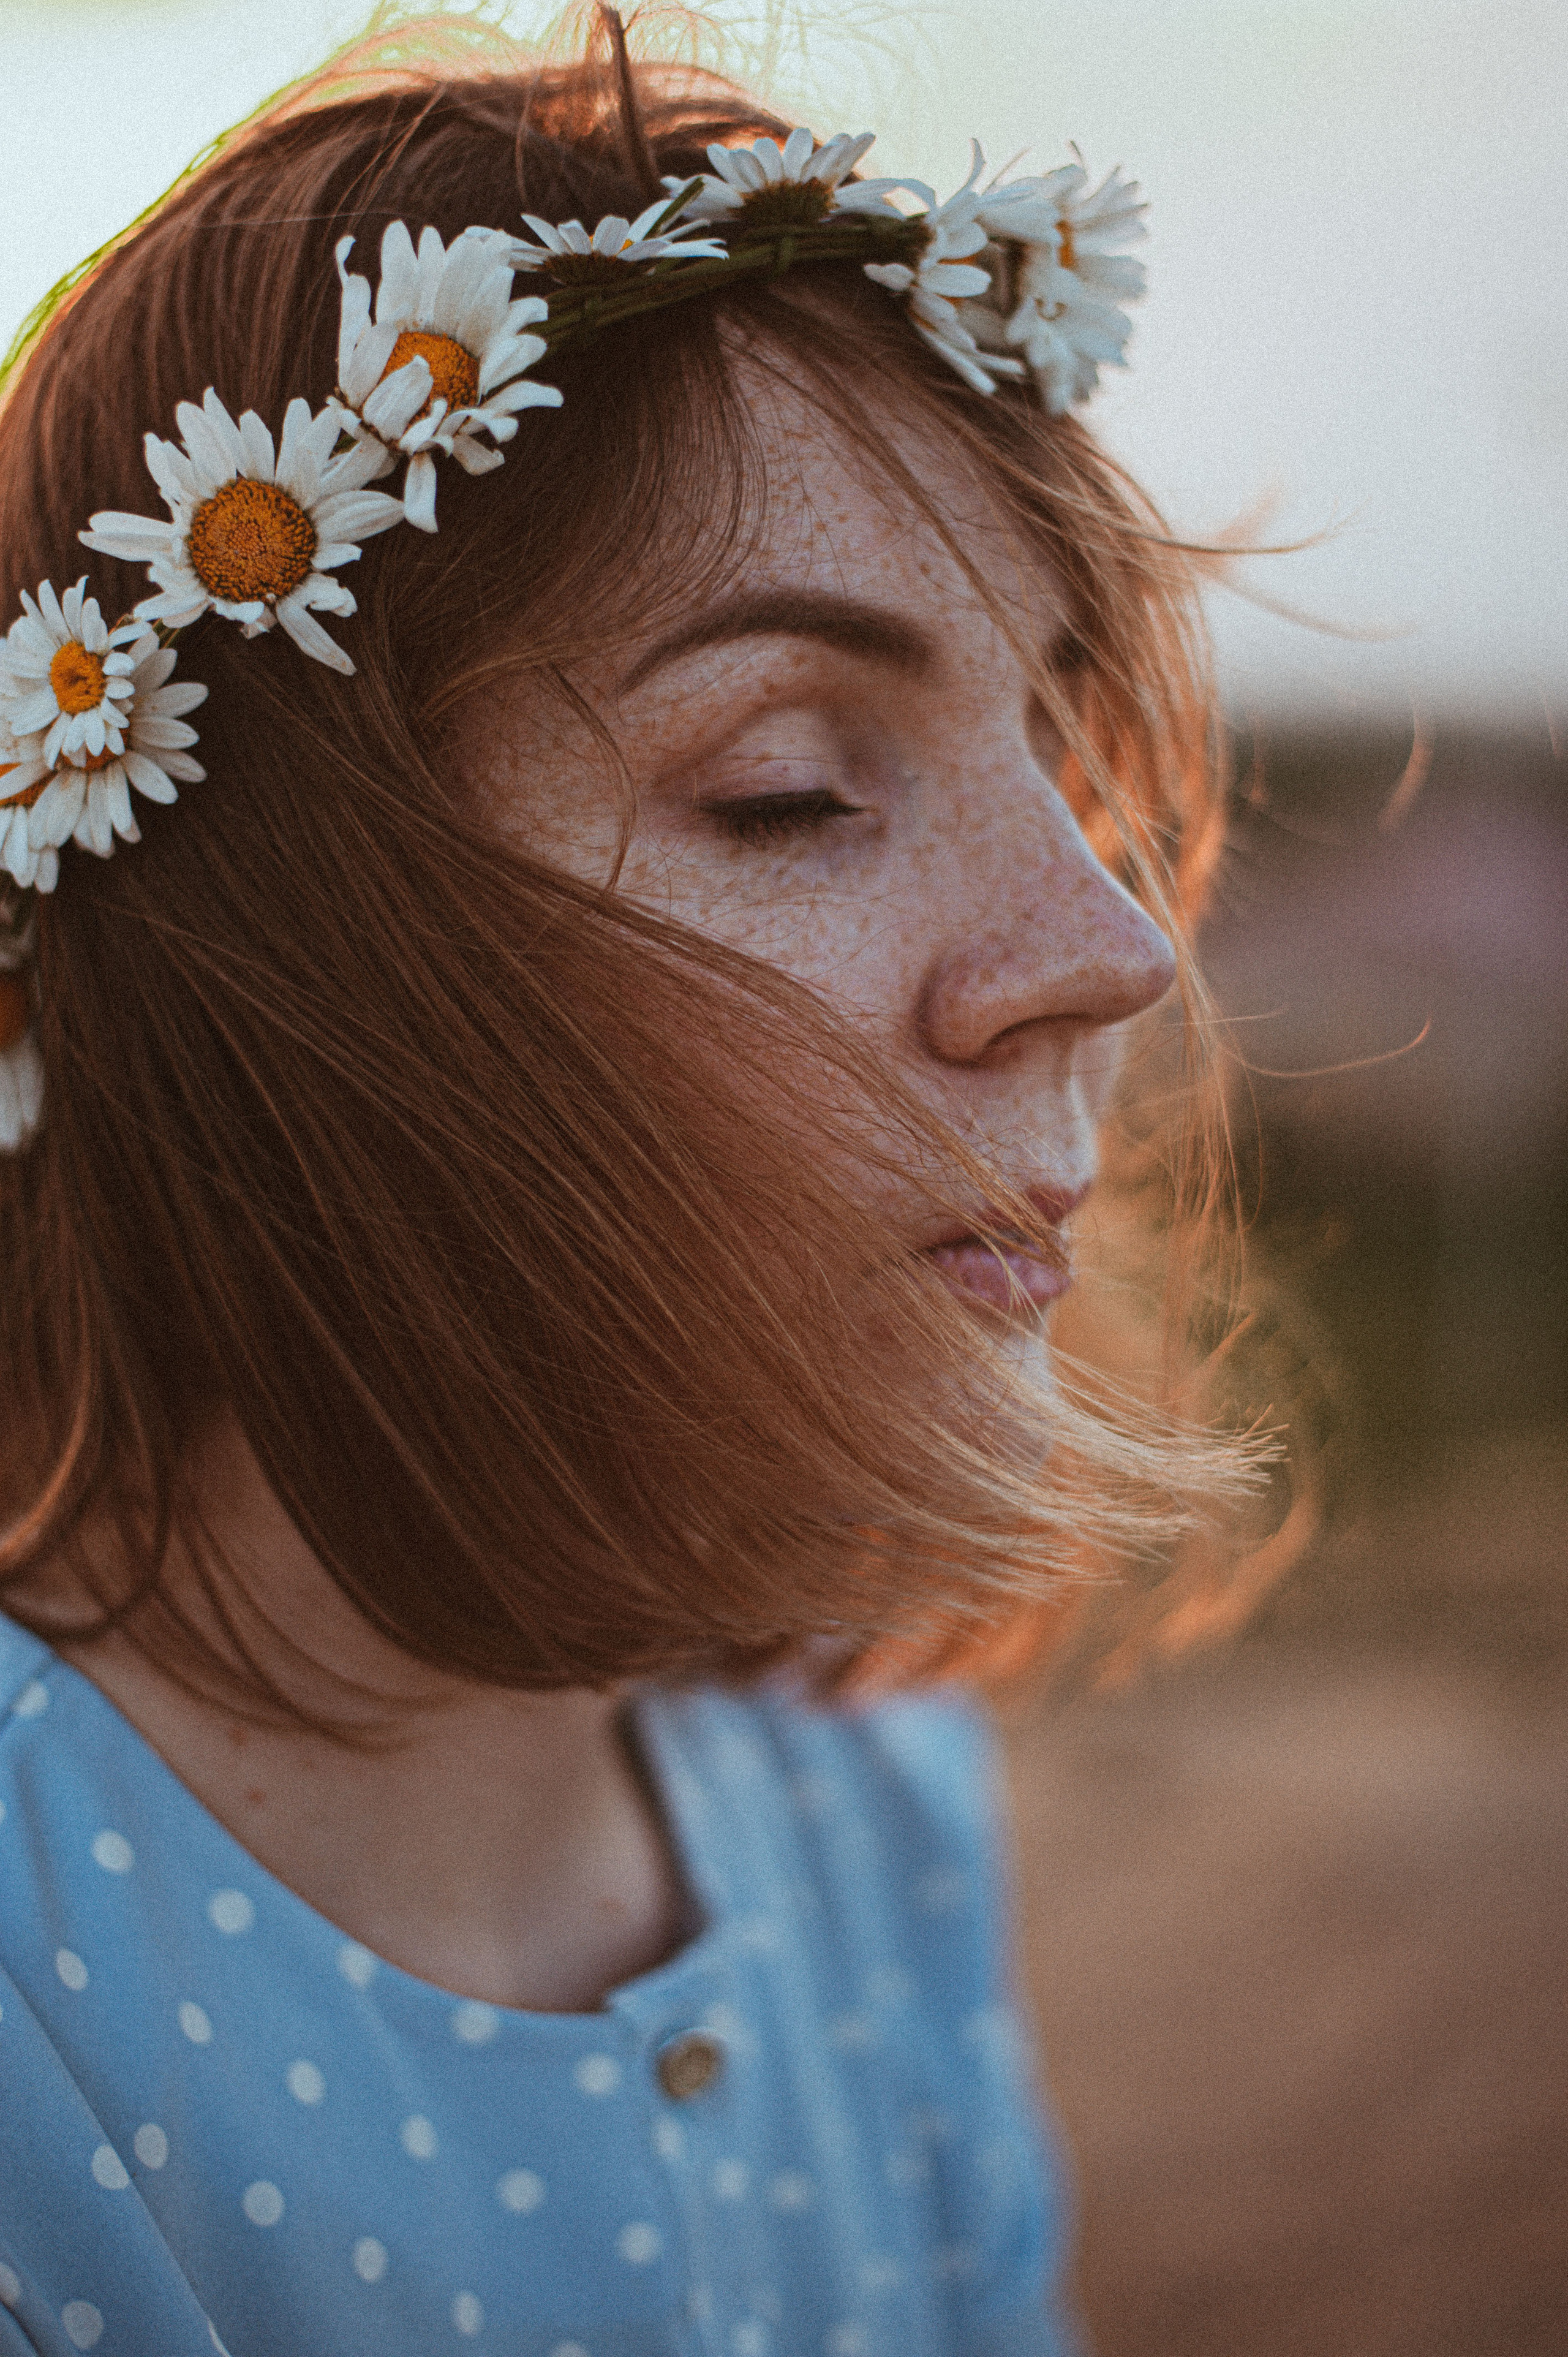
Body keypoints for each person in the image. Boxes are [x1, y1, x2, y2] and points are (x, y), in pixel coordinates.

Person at [0, 11, 1256, 2351]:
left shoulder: (866, 1788)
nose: (1108, 949)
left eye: (1052, 741)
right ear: (269, 958)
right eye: (789, 784)